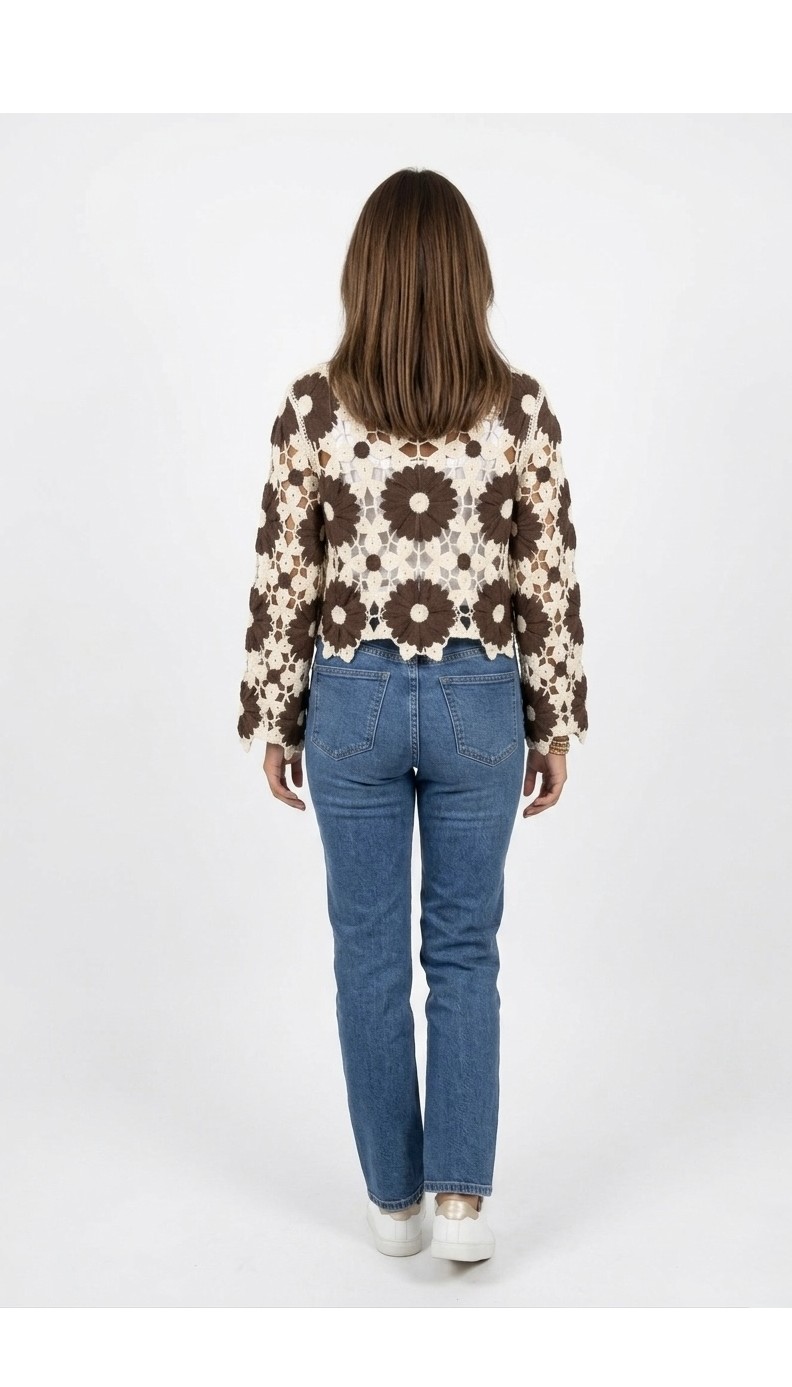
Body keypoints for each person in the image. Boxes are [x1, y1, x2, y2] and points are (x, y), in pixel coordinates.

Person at [237, 168, 587, 1262]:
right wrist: (554, 718)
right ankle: (462, 1205)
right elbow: (546, 577)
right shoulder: (520, 409)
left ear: (365, 276)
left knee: (368, 955)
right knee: (465, 952)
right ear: (470, 277)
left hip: (352, 695)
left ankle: (393, 1205)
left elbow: (286, 573)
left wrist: (274, 714)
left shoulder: (311, 407)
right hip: (484, 697)